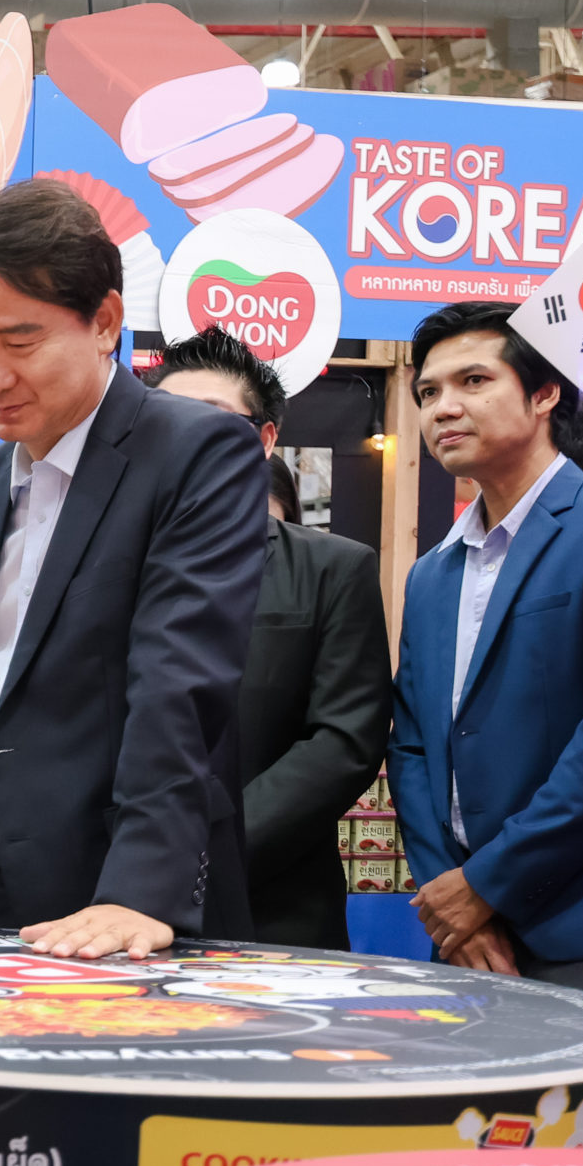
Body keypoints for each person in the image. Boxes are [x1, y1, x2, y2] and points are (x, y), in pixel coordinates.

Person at [0, 180, 265, 954]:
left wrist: (140, 892)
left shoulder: (194, 453)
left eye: (21, 341)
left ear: (104, 322)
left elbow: (179, 681)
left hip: (102, 897)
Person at [390, 301, 583, 1142]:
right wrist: (448, 899)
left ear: (543, 395)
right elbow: (413, 743)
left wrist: (484, 886)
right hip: (466, 925)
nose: (443, 407)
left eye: (473, 380)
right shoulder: (430, 573)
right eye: (428, 392)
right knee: (474, 1158)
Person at [149, 329, 389, 950]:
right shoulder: (108, 563)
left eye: (212, 420)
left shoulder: (333, 568)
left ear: (263, 439)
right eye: (166, 419)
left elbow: (343, 741)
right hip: (110, 901)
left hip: (276, 904)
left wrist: (206, 854)